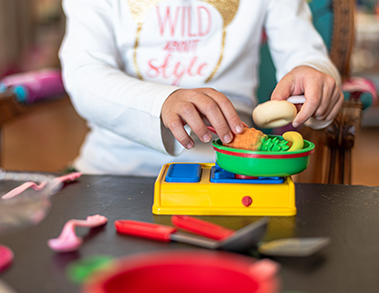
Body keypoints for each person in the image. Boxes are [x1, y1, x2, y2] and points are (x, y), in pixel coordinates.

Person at [59, 0, 344, 176]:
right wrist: (164, 101)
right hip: (114, 171)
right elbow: (84, 73)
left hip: (234, 170)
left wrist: (314, 75)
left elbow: (304, 52)